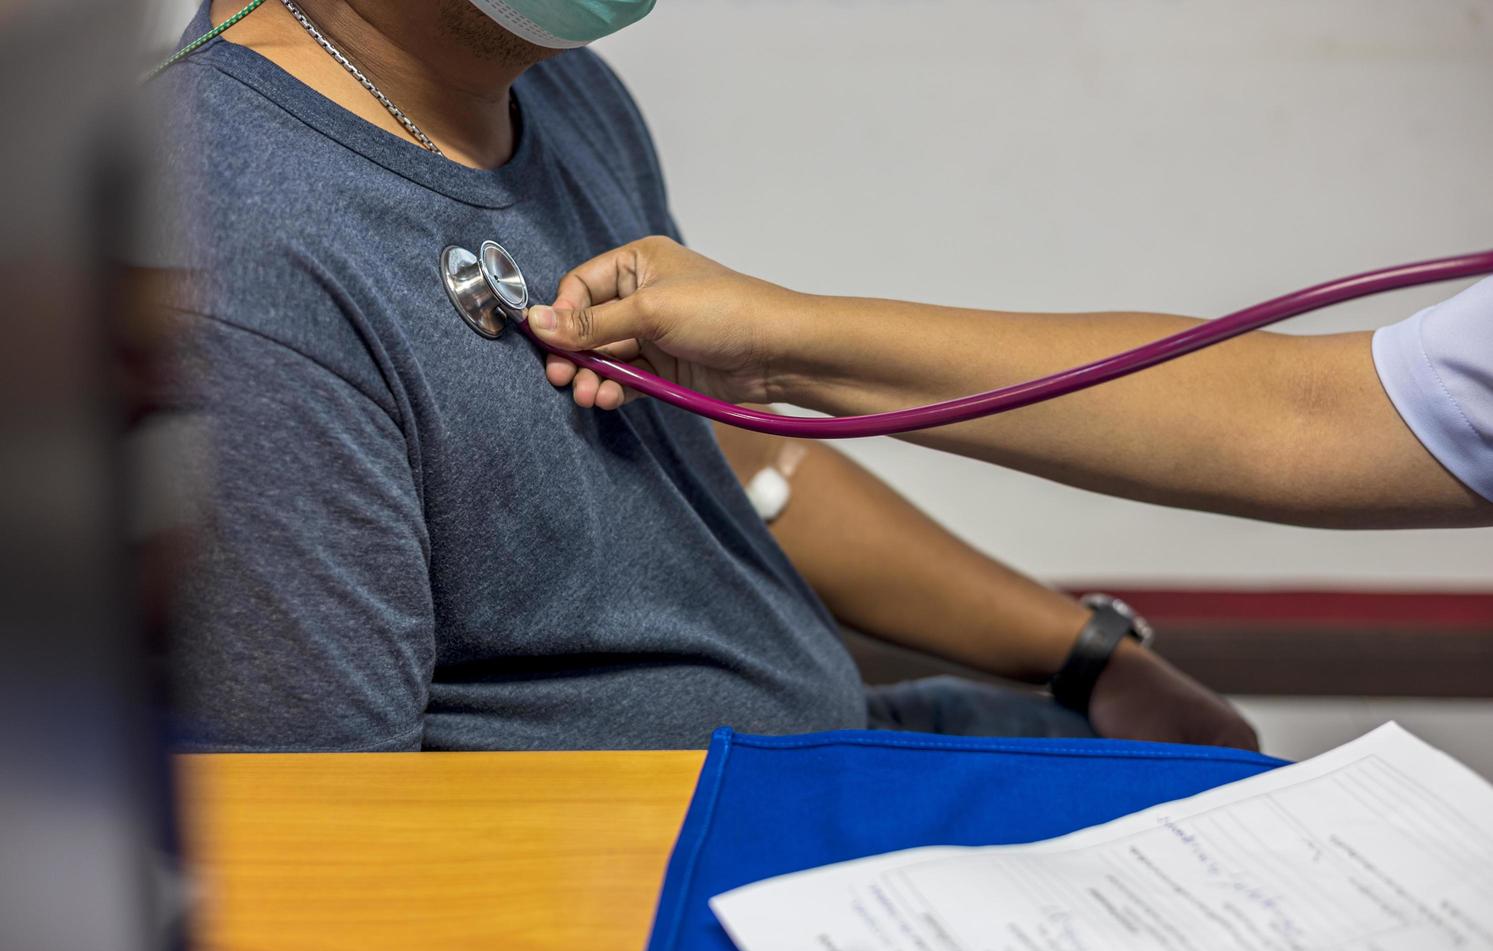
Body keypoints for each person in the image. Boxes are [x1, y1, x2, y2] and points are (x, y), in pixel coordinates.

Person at [152, 0, 1254, 752]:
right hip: (660, 868)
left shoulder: (568, 101)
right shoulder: (246, 252)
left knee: (1226, 781)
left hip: (811, 748)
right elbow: (328, 838)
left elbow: (725, 453)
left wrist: (1087, 655)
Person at [530, 237, 1493, 530]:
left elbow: (1323, 423)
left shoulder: (585, 117)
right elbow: (1317, 419)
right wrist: (778, 351)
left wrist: (1089, 654)